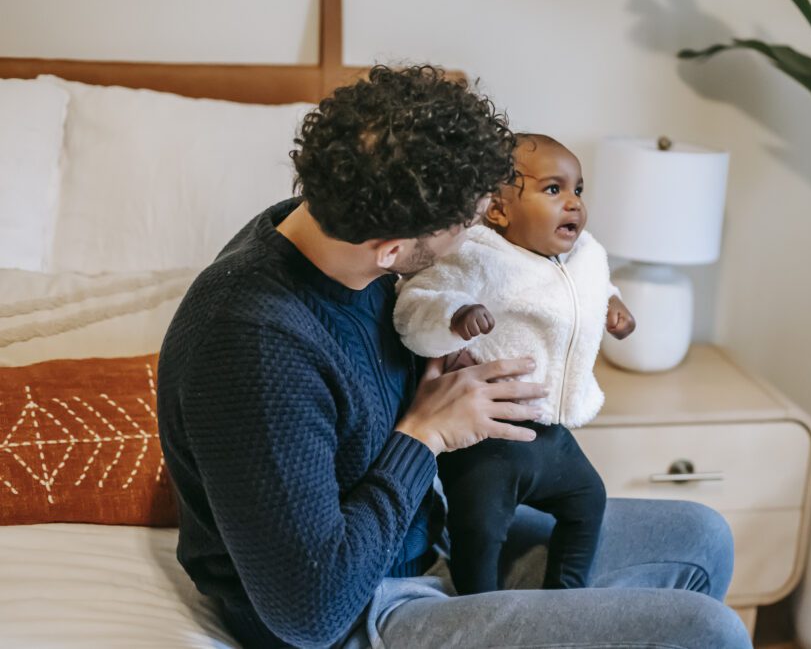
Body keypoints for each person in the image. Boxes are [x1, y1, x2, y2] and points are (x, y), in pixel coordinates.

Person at [157, 65, 752, 649]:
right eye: (462, 228)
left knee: (703, 538)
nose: (475, 234)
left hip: (425, 531)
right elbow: (309, 613)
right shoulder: (254, 348)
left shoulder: (324, 226)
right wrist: (424, 436)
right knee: (709, 631)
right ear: (391, 250)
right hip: (359, 609)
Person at [393, 133, 635, 595]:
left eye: (578, 190)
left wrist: (614, 305)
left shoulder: (584, 255)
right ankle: (477, 607)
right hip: (489, 438)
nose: (573, 204)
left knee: (589, 500)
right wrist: (455, 315)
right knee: (480, 529)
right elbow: (413, 303)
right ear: (499, 210)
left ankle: (565, 594)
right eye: (553, 189)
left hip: (551, 432)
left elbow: (591, 288)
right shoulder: (477, 257)